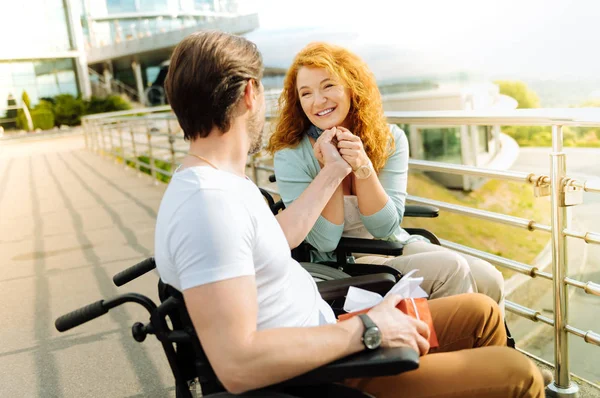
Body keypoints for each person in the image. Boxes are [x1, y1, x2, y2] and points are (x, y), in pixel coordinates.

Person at [154, 30, 544, 397]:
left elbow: (281, 238)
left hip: (327, 332)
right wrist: (369, 327)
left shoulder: (222, 184)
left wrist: (335, 172)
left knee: (481, 314)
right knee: (520, 375)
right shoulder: (208, 206)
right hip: (327, 372)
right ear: (250, 94)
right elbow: (237, 365)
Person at [268, 42, 505, 312]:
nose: (318, 100)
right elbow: (325, 241)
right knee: (450, 268)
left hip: (392, 245)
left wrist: (363, 166)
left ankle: (488, 349)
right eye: (306, 93)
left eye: (328, 86)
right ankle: (449, 345)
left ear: (352, 87)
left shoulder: (391, 139)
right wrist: (332, 169)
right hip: (340, 262)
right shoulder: (290, 155)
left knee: (490, 278)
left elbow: (385, 228)